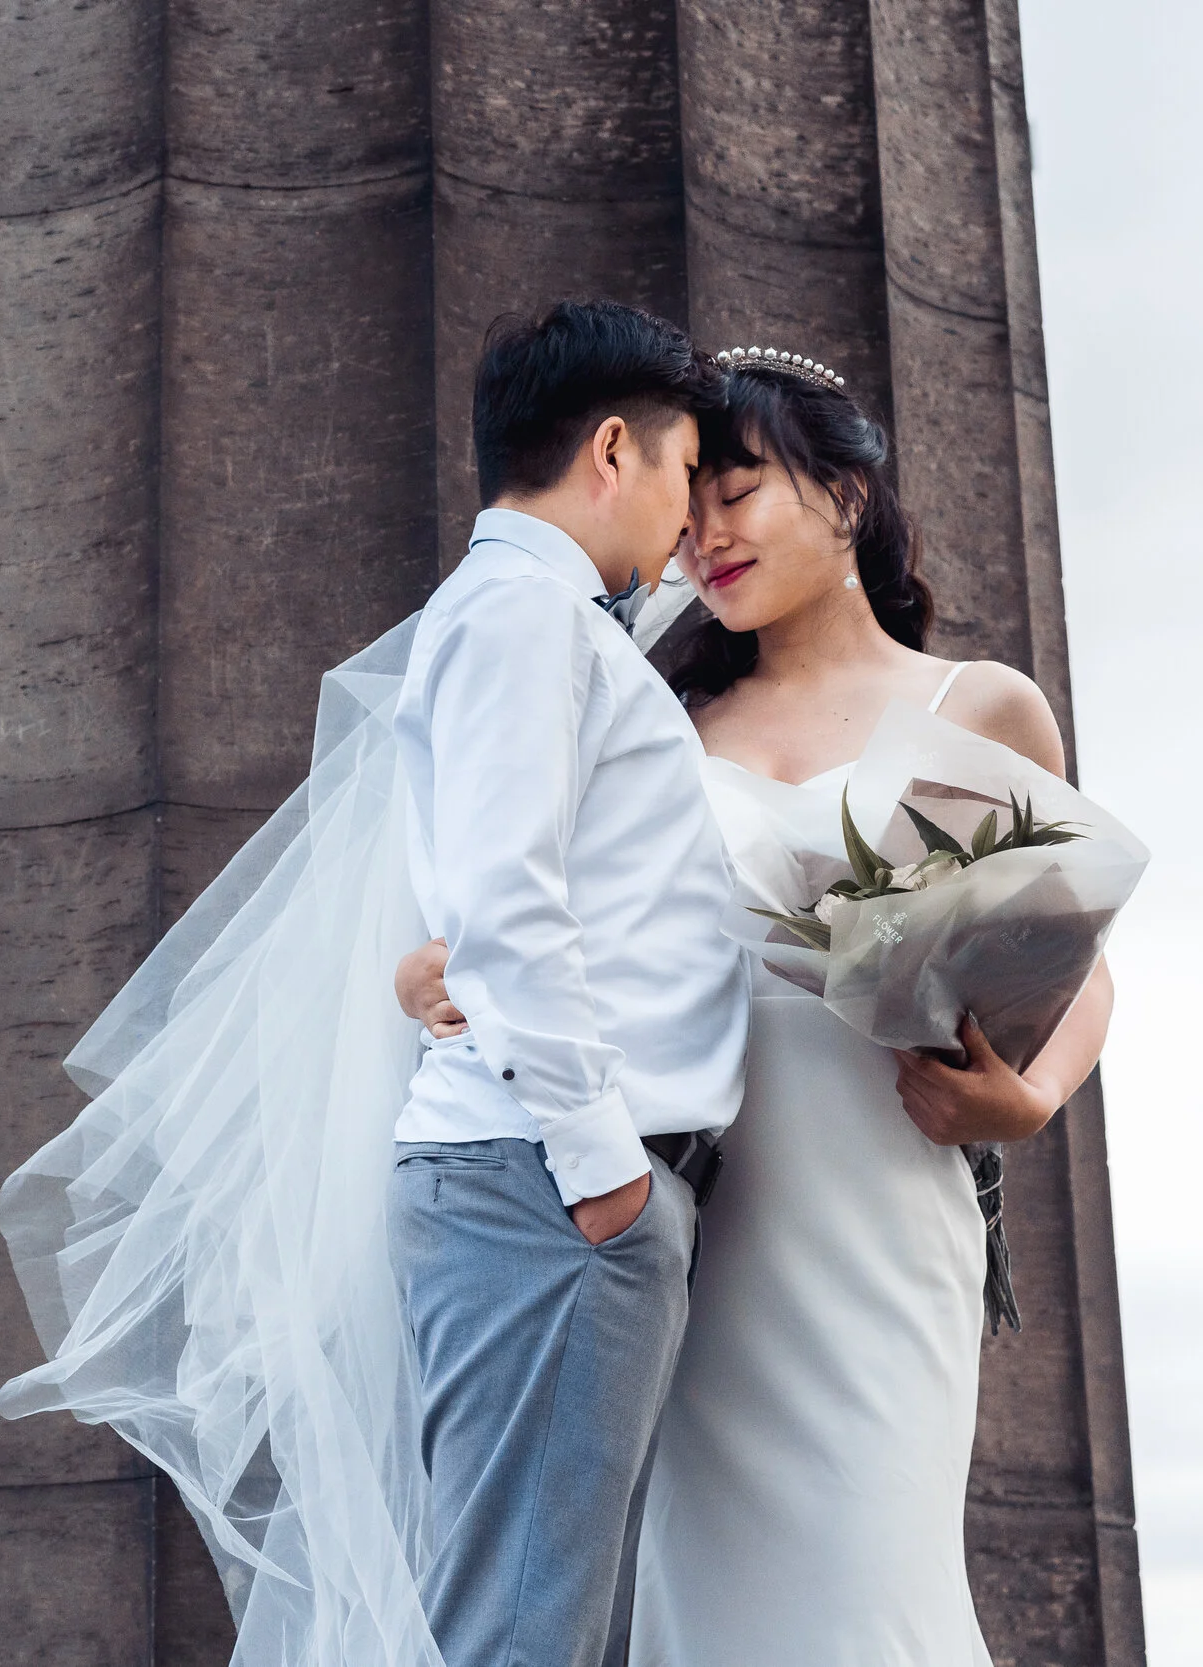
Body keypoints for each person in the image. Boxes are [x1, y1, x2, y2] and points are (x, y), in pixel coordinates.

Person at [394, 349, 1114, 1666]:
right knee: (704, 1599)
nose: (703, 533)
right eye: (693, 498)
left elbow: (1081, 951)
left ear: (844, 489)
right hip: (693, 1199)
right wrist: (429, 973)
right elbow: (503, 906)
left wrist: (1029, 1094)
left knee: (868, 1585)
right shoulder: (661, 708)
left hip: (882, 1188)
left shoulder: (981, 702)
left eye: (742, 492)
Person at [388, 300, 750, 1667]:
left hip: (542, 1181)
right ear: (614, 449)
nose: (690, 524)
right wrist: (604, 1169)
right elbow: (504, 902)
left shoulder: (540, 614)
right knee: (518, 1637)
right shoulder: (522, 618)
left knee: (535, 1624)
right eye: (683, 471)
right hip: (554, 1185)